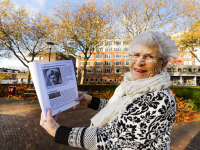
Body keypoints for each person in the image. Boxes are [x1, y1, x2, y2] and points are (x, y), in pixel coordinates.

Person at [40, 31, 177, 149]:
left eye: (150, 56)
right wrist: (90, 100)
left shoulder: (159, 99)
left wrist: (57, 131)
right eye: (136, 54)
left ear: (163, 64)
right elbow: (123, 112)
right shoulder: (133, 84)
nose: (139, 62)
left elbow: (111, 139)